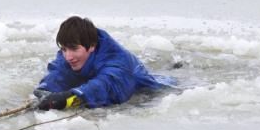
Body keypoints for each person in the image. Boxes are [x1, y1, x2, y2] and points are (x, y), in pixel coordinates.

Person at [34, 16, 175, 110]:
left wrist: (71, 96)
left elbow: (104, 85)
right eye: (64, 49)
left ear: (92, 46)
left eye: (74, 49)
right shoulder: (71, 53)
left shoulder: (117, 61)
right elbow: (59, 72)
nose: (68, 56)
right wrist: (45, 90)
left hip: (152, 92)